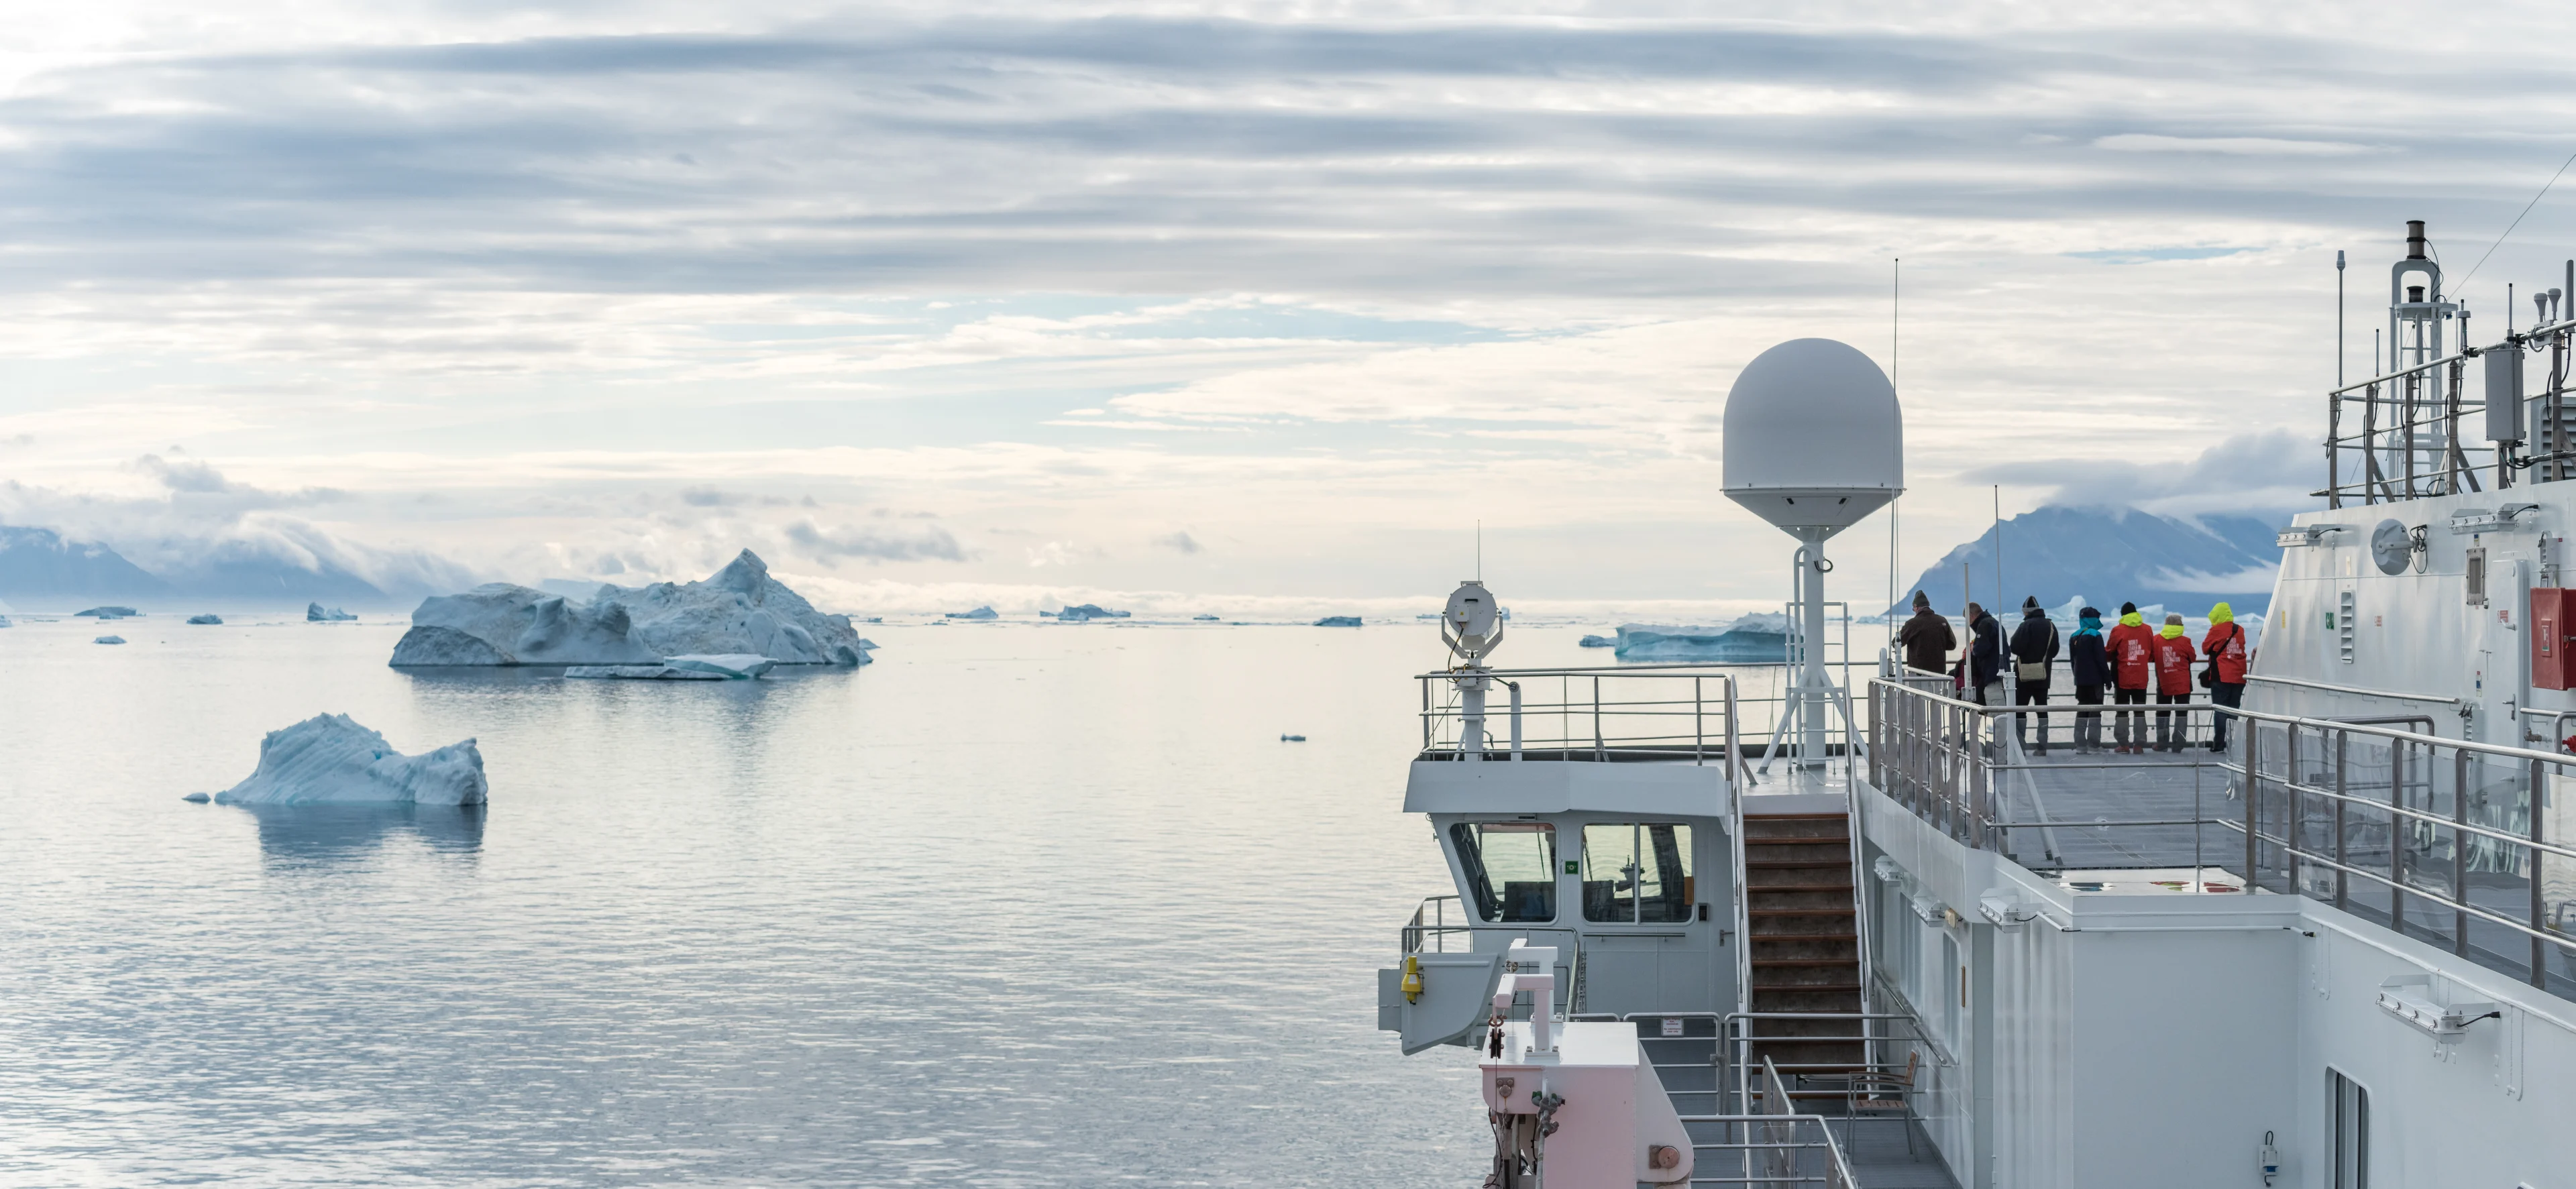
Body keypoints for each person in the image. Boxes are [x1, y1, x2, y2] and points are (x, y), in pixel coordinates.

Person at [2008, 596, 2061, 754]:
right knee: (2042, 711)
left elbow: (2015, 647)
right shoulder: (2051, 626)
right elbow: (2055, 650)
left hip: (2023, 677)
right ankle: (2042, 747)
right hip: (2043, 676)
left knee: (2020, 711)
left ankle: (2020, 747)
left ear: (2026, 612)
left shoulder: (2025, 626)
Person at [2106, 602, 2155, 753]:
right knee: (2140, 711)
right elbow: (2152, 654)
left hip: (2123, 677)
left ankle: (2124, 744)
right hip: (2141, 676)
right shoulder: (2148, 629)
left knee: (2122, 711)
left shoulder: (2118, 630)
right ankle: (2139, 745)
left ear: (2123, 615)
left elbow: (2109, 651)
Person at [2202, 602, 2251, 752]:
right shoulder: (2240, 630)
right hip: (2239, 675)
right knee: (2234, 709)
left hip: (2221, 675)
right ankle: (2233, 744)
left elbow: (2205, 649)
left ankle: (2219, 744)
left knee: (2220, 710)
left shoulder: (2216, 630)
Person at [2152, 612, 2196, 751]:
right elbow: (2193, 657)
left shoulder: (2156, 640)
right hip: (2183, 683)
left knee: (2162, 713)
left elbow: (2150, 656)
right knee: (2181, 714)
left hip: (2163, 681)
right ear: (2180, 626)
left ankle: (2162, 743)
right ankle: (2178, 744)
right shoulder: (2186, 641)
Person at [2068, 606, 2110, 754]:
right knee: (2095, 711)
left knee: (2082, 710)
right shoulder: (2095, 635)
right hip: (2095, 681)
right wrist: (2108, 679)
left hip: (2080, 681)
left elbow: (2073, 661)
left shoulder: (2074, 635)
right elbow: (2101, 660)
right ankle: (2094, 745)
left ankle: (2080, 745)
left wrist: (2077, 676)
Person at [1897, 591, 1957, 679]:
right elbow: (1952, 644)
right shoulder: (1942, 621)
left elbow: (1898, 643)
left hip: (1918, 673)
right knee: (1937, 693)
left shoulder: (1912, 623)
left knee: (1918, 693)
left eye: (1913, 609)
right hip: (1939, 673)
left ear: (1916, 607)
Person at [1962, 602, 2002, 705]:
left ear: (1971, 615)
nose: (1969, 624)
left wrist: (1973, 648)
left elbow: (1980, 650)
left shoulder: (1984, 625)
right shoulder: (1994, 623)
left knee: (1995, 714)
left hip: (1992, 676)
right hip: (1999, 675)